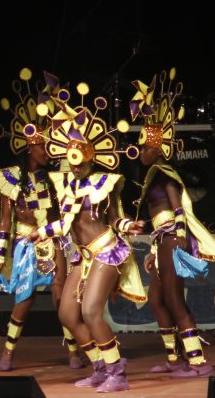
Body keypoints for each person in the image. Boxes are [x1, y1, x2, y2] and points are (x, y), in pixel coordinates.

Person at [27, 80, 146, 393]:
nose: (75, 168)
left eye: (80, 162)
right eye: (71, 162)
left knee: (91, 311)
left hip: (106, 250)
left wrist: (128, 226)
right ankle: (99, 367)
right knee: (68, 314)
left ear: (91, 158)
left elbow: (114, 217)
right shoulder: (67, 187)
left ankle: (118, 373)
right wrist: (40, 232)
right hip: (82, 257)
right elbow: (66, 224)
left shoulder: (105, 183)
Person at [0, 69, 83, 371]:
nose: (47, 152)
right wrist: (0, 257)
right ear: (29, 147)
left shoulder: (56, 178)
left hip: (53, 241)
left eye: (49, 147)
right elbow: (5, 222)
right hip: (26, 245)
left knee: (60, 298)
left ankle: (74, 352)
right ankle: (8, 351)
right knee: (23, 302)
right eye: (41, 147)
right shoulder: (11, 179)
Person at [129, 69, 215, 378]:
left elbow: (177, 206)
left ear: (159, 148)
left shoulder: (165, 173)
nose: (141, 152)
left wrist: (181, 235)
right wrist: (151, 247)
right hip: (162, 241)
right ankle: (173, 358)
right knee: (157, 300)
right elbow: (158, 218)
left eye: (146, 147)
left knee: (173, 299)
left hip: (172, 240)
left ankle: (197, 362)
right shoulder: (152, 174)